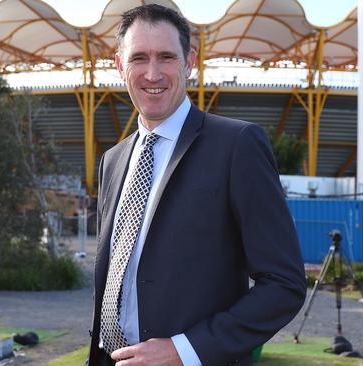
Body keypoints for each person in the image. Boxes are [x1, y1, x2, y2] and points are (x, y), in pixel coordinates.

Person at [89, 4, 306, 366]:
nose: (152, 73)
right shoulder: (112, 161)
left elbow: (284, 284)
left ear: (190, 61)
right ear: (118, 65)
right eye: (139, 58)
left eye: (166, 57)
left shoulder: (237, 145)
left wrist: (186, 350)